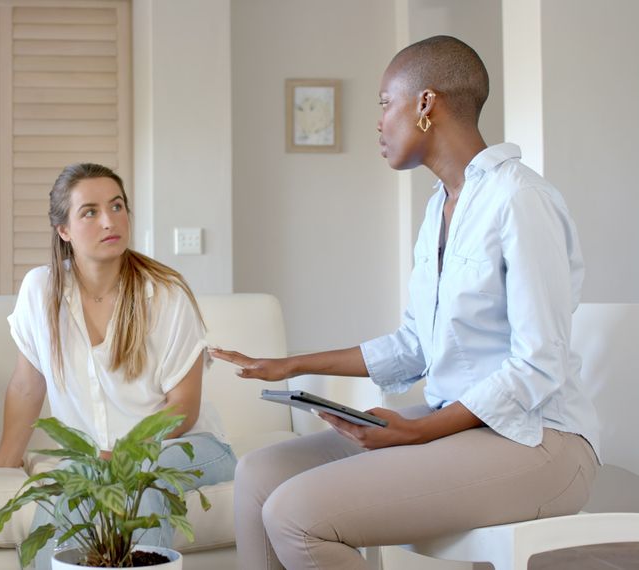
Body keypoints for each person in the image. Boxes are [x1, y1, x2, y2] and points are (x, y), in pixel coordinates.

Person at [212, 36, 600, 570]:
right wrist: (291, 365)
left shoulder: (520, 200)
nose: (378, 121)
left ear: (425, 103)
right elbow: (414, 345)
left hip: (540, 443)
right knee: (259, 475)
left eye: (384, 103)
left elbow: (538, 364)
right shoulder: (441, 207)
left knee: (296, 514)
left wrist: (418, 431)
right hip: (462, 426)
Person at [0, 163, 237, 566]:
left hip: (184, 447)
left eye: (117, 206)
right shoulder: (40, 290)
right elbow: (27, 386)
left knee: (142, 485)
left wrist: (121, 456)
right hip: (97, 459)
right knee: (68, 498)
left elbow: (183, 408)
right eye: (90, 212)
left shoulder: (165, 294)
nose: (109, 220)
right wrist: (5, 462)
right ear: (64, 230)